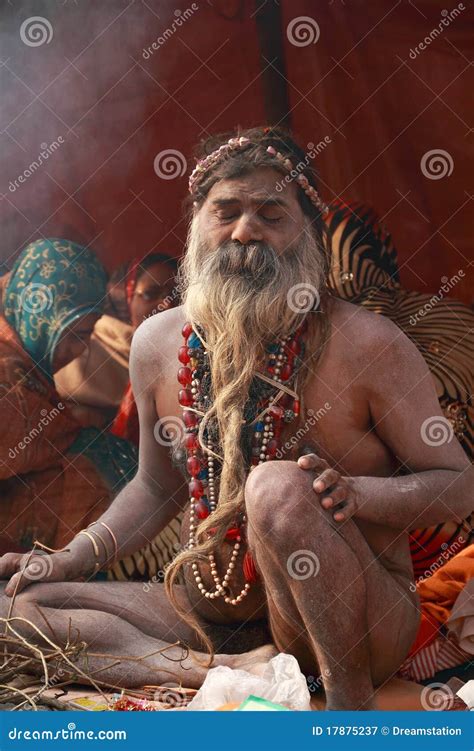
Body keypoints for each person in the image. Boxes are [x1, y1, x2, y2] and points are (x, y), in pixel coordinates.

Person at [1, 130, 472, 709]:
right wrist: (69, 557)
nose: (245, 231)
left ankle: (351, 714)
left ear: (309, 234)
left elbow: (460, 486)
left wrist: (357, 496)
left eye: (272, 214)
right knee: (16, 604)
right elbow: (154, 488)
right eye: (225, 212)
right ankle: (221, 671)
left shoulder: (367, 345)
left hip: (356, 620)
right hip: (212, 610)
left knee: (276, 487)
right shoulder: (157, 343)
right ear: (197, 221)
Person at [0, 238, 137, 554]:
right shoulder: (8, 378)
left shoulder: (28, 366)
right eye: (73, 335)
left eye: (86, 335)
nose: (81, 350)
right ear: (40, 319)